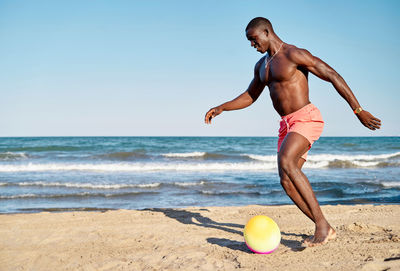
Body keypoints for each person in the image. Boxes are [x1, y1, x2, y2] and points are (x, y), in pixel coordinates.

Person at [204, 17, 381, 247]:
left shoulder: (293, 54)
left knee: (287, 161)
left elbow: (332, 75)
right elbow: (250, 95)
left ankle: (321, 227)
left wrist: (358, 110)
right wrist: (222, 107)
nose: (252, 45)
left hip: (306, 117)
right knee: (286, 181)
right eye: (249, 41)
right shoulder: (261, 66)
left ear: (267, 32)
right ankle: (325, 226)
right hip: (286, 125)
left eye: (254, 39)